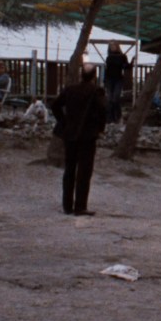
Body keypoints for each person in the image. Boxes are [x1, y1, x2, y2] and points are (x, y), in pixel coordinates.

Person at [51, 64, 107, 216]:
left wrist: (63, 122)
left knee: (69, 169)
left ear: (81, 74)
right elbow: (103, 111)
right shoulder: (96, 91)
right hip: (88, 135)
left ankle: (67, 205)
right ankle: (80, 206)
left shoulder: (70, 90)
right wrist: (100, 128)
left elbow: (55, 105)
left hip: (70, 134)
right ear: (94, 76)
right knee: (84, 171)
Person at [103, 40, 130, 124]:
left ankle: (117, 116)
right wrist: (104, 80)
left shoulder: (122, 56)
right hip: (109, 79)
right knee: (110, 99)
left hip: (118, 79)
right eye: (111, 46)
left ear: (117, 46)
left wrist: (132, 62)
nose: (112, 47)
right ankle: (110, 118)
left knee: (115, 98)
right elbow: (107, 69)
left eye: (113, 45)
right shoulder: (109, 57)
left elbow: (126, 67)